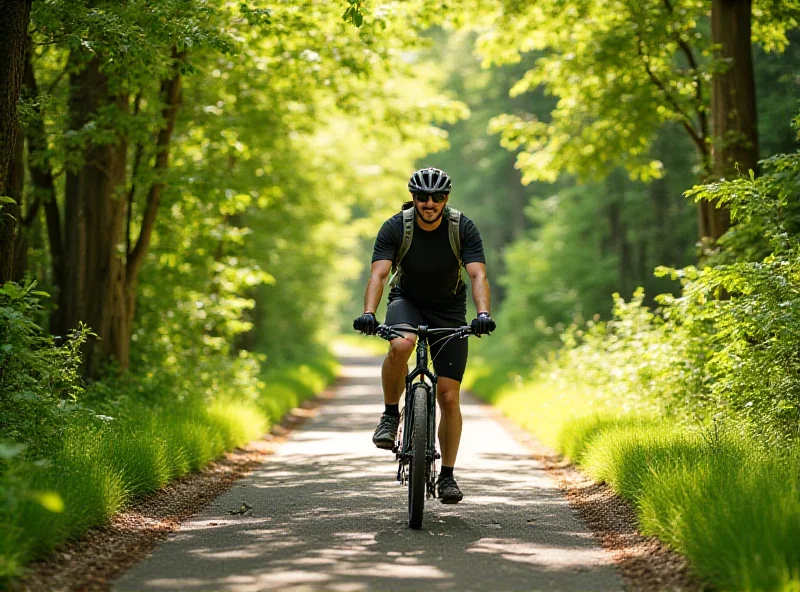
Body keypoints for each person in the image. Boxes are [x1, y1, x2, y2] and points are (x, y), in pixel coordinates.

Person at [353, 167, 495, 504]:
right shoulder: (395, 227)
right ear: (413, 197)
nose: (429, 203)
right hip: (408, 301)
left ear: (446, 198)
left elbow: (477, 276)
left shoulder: (462, 228)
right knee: (401, 343)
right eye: (422, 197)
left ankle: (447, 476)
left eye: (437, 197)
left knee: (448, 395)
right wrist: (370, 313)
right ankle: (390, 414)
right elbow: (380, 274)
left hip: (449, 308)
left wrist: (483, 314)